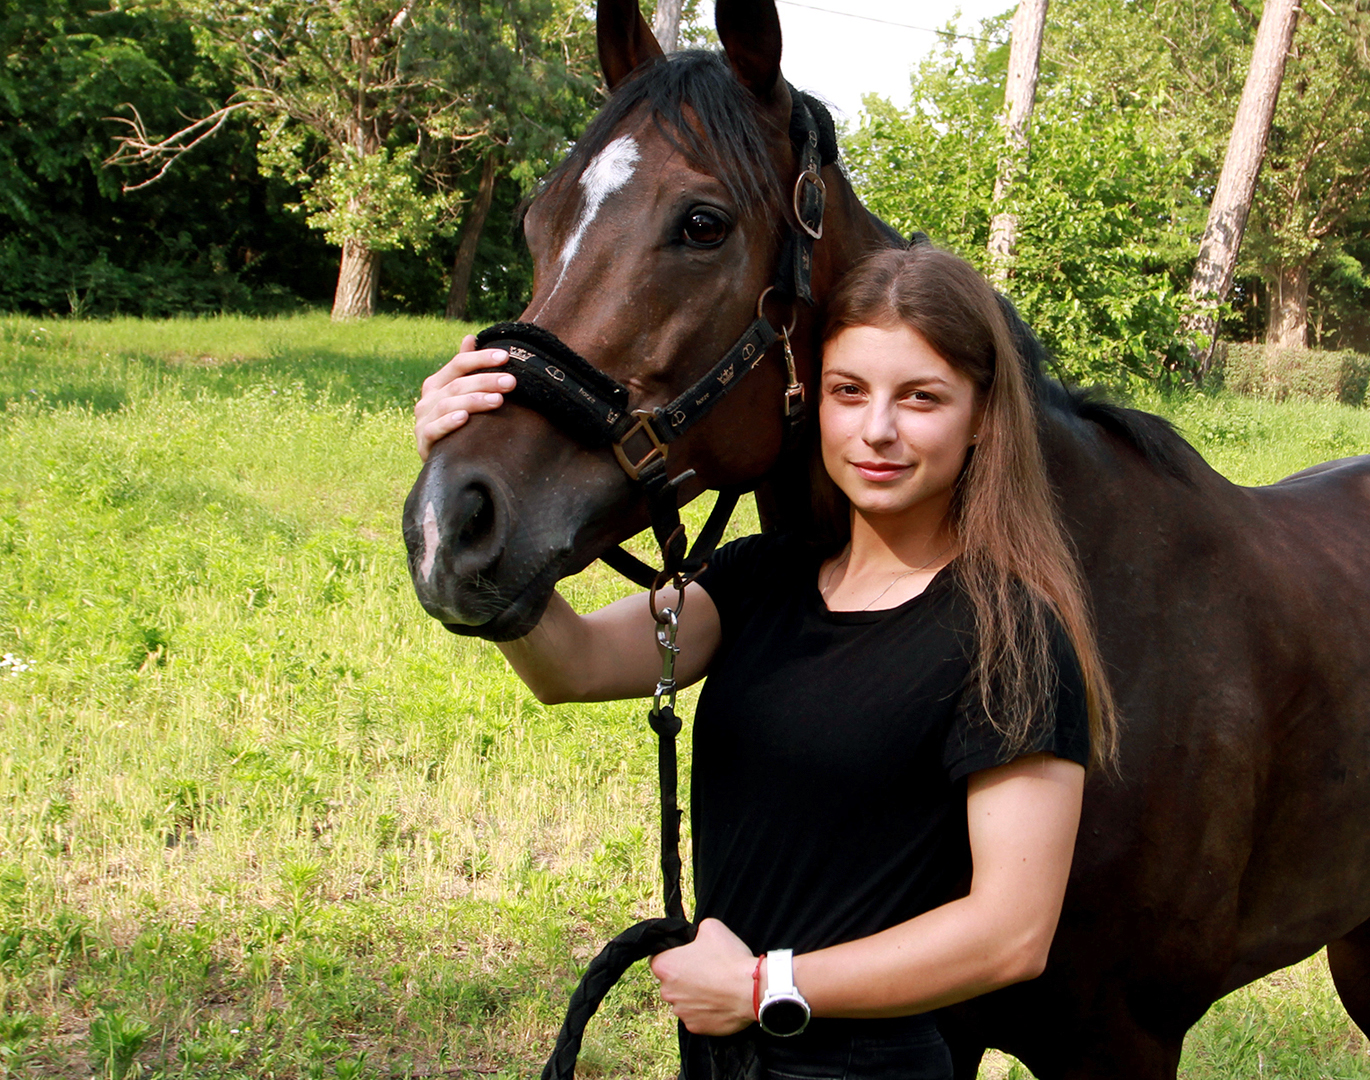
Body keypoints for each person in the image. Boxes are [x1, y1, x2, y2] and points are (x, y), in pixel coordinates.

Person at [412, 245, 1113, 1077]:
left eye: (921, 398)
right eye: (849, 392)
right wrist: (458, 484)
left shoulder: (1012, 635)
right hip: (723, 1055)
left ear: (984, 417)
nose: (876, 430)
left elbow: (1010, 935)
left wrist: (762, 985)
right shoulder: (762, 579)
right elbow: (577, 665)